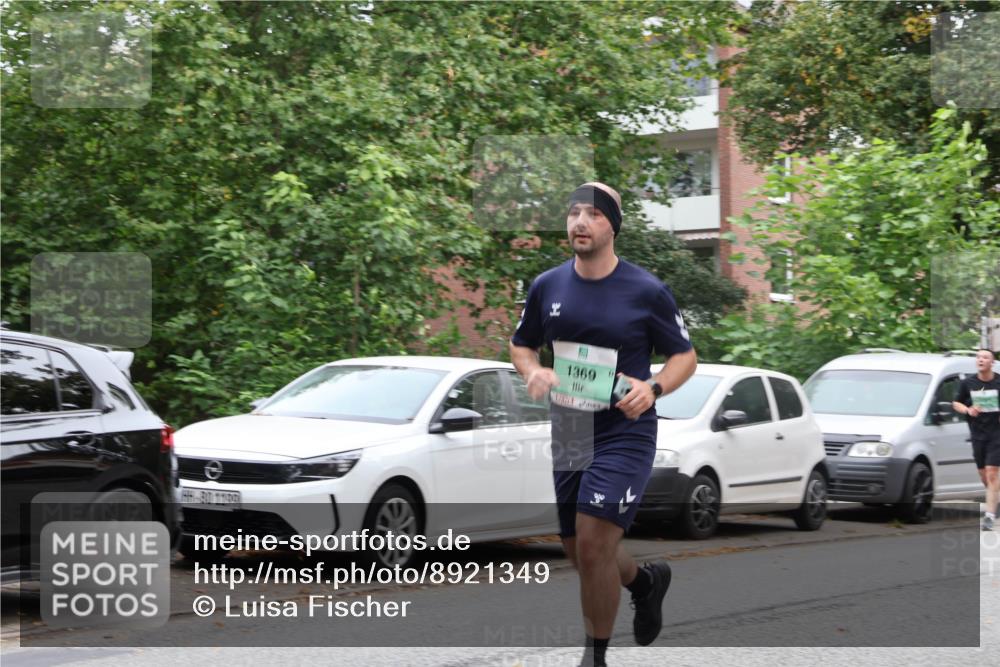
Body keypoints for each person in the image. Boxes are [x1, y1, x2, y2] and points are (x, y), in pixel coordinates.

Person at [509, 182, 697, 666]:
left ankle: (595, 657)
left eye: (591, 214)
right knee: (580, 552)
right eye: (572, 212)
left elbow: (684, 356)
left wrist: (652, 388)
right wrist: (534, 371)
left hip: (625, 430)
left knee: (593, 545)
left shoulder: (647, 290)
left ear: (612, 224)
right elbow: (522, 344)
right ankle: (644, 581)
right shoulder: (547, 286)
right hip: (571, 425)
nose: (578, 222)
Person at [953, 348, 1000, 531]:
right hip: (977, 434)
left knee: (992, 472)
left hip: (997, 434)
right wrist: (968, 410)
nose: (981, 360)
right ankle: (994, 496)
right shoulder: (967, 383)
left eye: (985, 357)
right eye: (978, 357)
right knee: (984, 476)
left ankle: (989, 516)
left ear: (992, 362)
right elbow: (956, 403)